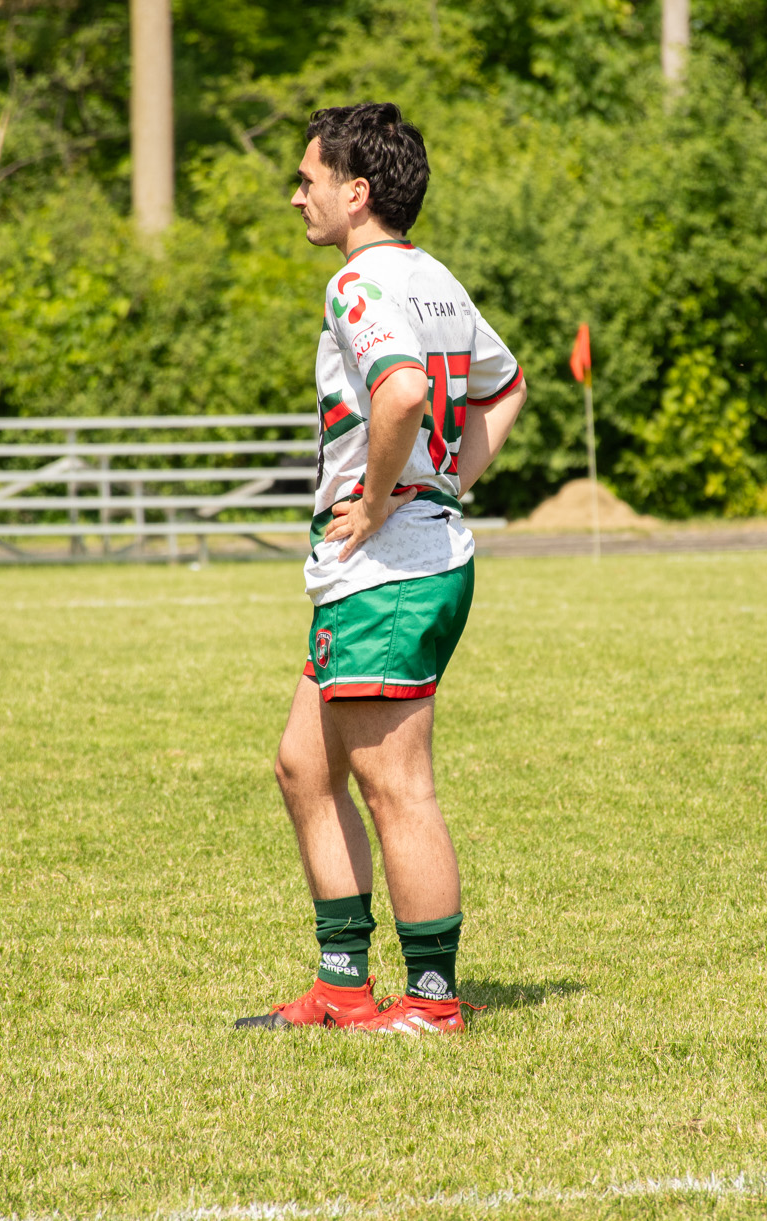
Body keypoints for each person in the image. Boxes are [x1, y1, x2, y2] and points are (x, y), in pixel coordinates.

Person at [235, 102, 527, 1036]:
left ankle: (434, 1002)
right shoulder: (435, 277)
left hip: (389, 569)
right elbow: (506, 382)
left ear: (355, 191)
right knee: (301, 768)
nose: (296, 195)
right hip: (393, 563)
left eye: (308, 178)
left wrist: (385, 491)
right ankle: (342, 988)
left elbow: (401, 389)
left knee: (397, 786)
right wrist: (447, 481)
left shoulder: (358, 283)